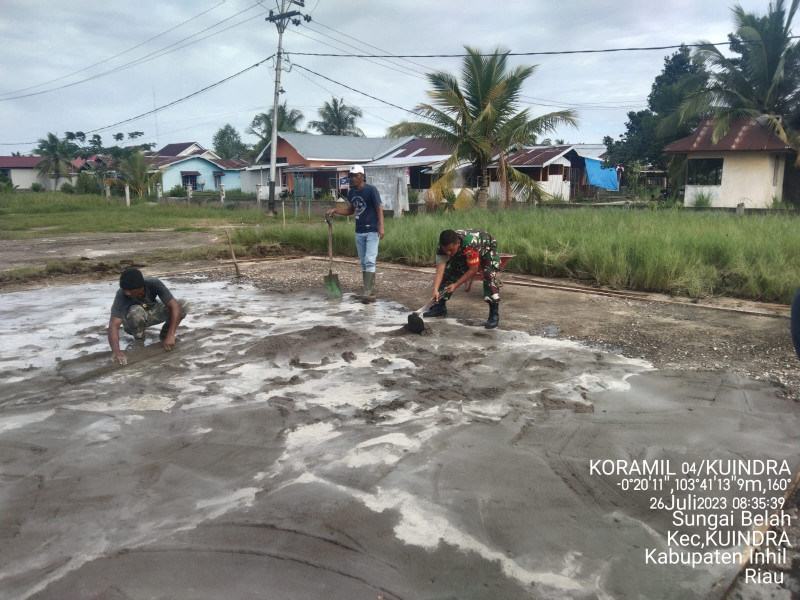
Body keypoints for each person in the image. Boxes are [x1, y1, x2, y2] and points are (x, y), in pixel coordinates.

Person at [326, 164, 384, 302]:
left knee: (370, 260)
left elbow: (379, 209)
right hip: (359, 230)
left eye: (356, 175)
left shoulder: (371, 190)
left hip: (372, 230)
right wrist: (335, 210)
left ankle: (368, 292)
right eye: (351, 176)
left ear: (362, 176)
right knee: (363, 262)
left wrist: (381, 227)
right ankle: (367, 289)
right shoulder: (352, 192)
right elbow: (350, 211)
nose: (354, 178)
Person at [108, 267, 189, 365]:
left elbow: (174, 306)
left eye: (129, 290)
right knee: (136, 311)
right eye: (124, 289)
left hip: (151, 311)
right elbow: (113, 325)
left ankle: (165, 335)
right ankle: (139, 341)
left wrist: (171, 335)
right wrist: (116, 351)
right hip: (132, 321)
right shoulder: (122, 294)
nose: (126, 292)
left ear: (140, 287)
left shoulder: (153, 283)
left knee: (182, 305)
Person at [423, 229, 501, 329]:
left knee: (489, 277)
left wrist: (456, 285)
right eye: (446, 250)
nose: (448, 253)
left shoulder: (470, 245)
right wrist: (435, 290)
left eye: (451, 250)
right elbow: (440, 269)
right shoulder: (442, 246)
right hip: (463, 251)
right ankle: (439, 308)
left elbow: (473, 269)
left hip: (486, 247)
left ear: (458, 243)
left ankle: (494, 314)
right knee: (448, 272)